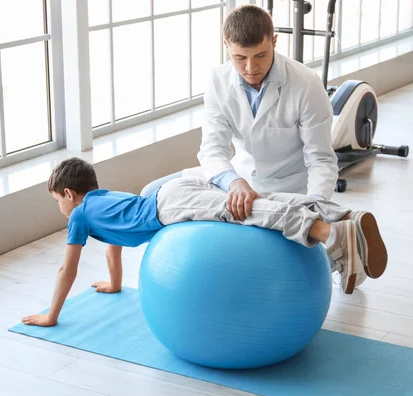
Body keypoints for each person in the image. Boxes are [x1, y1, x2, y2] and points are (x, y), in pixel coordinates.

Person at [140, 5, 369, 290]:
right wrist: (233, 181)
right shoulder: (217, 80)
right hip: (238, 179)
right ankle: (168, 280)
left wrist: (315, 206)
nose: (251, 68)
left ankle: (338, 237)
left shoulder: (306, 84)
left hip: (290, 189)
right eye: (240, 58)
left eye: (260, 55)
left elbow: (321, 160)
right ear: (226, 47)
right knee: (151, 194)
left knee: (293, 234)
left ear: (274, 41)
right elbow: (212, 149)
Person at [21, 157, 387, 327]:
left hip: (169, 204)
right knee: (262, 199)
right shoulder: (104, 199)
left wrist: (51, 315)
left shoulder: (81, 215)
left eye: (58, 201)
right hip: (173, 191)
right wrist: (115, 285)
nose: (61, 208)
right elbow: (114, 246)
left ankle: (330, 235)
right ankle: (341, 216)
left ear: (69, 193)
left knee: (247, 211)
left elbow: (66, 267)